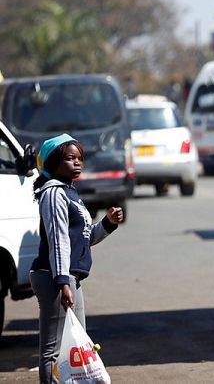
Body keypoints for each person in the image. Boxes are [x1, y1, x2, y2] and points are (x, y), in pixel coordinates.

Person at [29, 134, 123, 384]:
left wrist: (107, 224)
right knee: (54, 351)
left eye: (80, 158)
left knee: (76, 347)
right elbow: (58, 240)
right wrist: (62, 282)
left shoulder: (71, 194)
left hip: (68, 277)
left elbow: (84, 237)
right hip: (54, 276)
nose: (77, 163)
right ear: (53, 163)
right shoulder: (53, 193)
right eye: (70, 158)